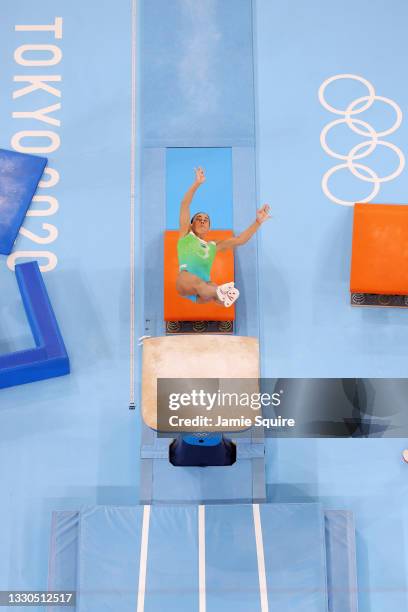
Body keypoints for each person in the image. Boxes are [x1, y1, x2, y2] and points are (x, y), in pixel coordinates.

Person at [176, 167, 270, 306]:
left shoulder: (213, 245)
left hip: (204, 288)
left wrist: (258, 222)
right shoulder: (185, 234)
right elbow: (184, 204)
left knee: (212, 289)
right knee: (196, 282)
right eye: (198, 218)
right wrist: (197, 183)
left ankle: (220, 295)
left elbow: (240, 240)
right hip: (185, 282)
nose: (202, 220)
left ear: (209, 227)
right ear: (190, 224)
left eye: (206, 219)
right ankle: (219, 292)